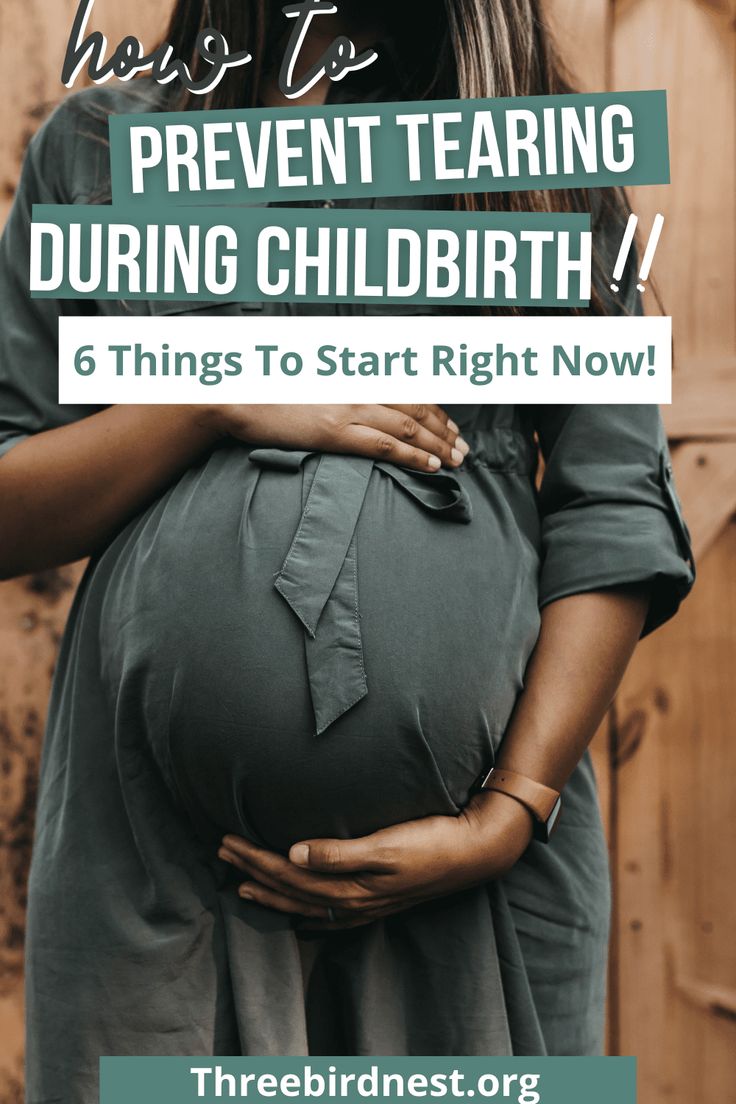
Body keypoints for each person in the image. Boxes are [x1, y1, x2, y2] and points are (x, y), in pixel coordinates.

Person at [0, 1, 694, 1098]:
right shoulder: (99, 149)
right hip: (160, 886)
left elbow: (614, 515)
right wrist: (212, 399)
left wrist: (508, 816)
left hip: (472, 891)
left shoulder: (533, 164)